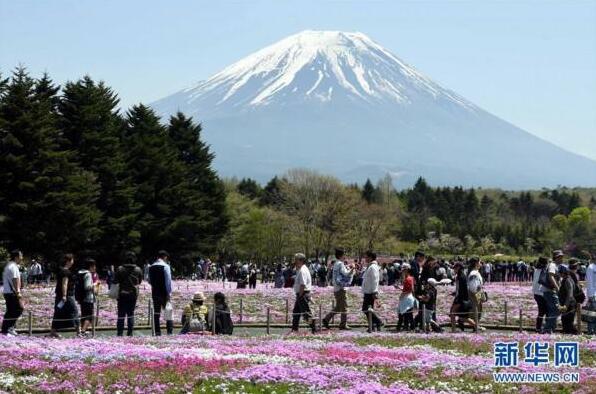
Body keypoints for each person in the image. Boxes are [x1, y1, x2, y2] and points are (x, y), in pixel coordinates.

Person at [50, 254, 80, 338]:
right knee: (74, 311)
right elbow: (64, 284)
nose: (73, 262)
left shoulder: (61, 270)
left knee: (58, 312)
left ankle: (53, 331)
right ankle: (79, 331)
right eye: (72, 260)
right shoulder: (65, 271)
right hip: (67, 295)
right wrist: (64, 295)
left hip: (60, 295)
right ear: (68, 261)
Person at [322, 248, 353, 330]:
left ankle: (326, 319)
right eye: (344, 254)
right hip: (341, 288)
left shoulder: (336, 264)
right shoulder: (340, 264)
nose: (345, 256)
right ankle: (343, 324)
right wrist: (352, 269)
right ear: (341, 255)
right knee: (344, 307)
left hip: (336, 288)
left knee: (339, 307)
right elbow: (346, 274)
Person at [115, 252, 143, 336]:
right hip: (132, 294)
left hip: (122, 293)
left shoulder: (120, 269)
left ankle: (120, 333)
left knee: (121, 314)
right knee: (131, 313)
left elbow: (115, 280)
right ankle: (130, 333)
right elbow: (140, 281)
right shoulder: (138, 269)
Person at [291, 253, 317, 333]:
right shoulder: (301, 269)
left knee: (306, 314)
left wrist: (300, 295)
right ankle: (294, 329)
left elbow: (302, 284)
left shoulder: (302, 270)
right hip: (301, 294)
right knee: (296, 312)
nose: (294, 261)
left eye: (296, 259)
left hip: (303, 294)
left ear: (301, 261)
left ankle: (314, 327)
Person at [149, 250, 173, 336]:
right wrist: (169, 293)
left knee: (156, 313)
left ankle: (157, 331)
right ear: (165, 257)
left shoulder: (151, 267)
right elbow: (168, 281)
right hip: (164, 292)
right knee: (168, 311)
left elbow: (149, 280)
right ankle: (169, 331)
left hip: (155, 292)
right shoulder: (166, 266)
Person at [2, 250, 24, 336]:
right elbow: (15, 279)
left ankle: (6, 329)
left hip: (8, 291)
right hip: (12, 292)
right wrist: (18, 292)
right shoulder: (13, 267)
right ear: (16, 257)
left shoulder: (9, 265)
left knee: (10, 311)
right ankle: (9, 328)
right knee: (19, 309)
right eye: (21, 256)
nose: (22, 258)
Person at [449, 262, 476, 331]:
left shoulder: (461, 277)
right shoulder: (460, 276)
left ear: (458, 268)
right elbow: (460, 289)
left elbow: (461, 290)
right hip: (461, 299)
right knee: (461, 317)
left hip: (460, 299)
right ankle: (476, 326)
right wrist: (455, 293)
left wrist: (457, 298)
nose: (454, 269)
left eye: (455, 268)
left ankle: (453, 330)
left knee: (452, 313)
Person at [542, 251, 563, 334]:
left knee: (553, 310)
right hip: (550, 290)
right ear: (556, 257)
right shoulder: (552, 265)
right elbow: (551, 276)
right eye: (560, 257)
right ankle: (547, 328)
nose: (561, 259)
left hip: (550, 290)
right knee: (556, 309)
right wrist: (558, 288)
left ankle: (551, 328)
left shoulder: (555, 265)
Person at [75, 258, 97, 338]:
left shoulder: (80, 273)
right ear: (90, 266)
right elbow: (87, 287)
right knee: (89, 316)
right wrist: (95, 284)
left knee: (84, 315)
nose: (95, 268)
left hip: (81, 297)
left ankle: (81, 331)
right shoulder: (88, 274)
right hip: (88, 298)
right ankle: (83, 331)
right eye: (94, 266)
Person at [361, 250, 383, 332]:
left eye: (366, 257)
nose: (365, 258)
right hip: (368, 291)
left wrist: (374, 291)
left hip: (370, 292)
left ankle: (378, 321)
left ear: (370, 257)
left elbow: (375, 280)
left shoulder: (373, 267)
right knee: (369, 309)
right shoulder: (370, 266)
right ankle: (372, 325)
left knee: (365, 309)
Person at [558, 265, 577, 334]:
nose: (559, 274)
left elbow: (570, 294)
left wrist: (565, 305)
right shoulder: (566, 279)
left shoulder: (567, 280)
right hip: (567, 304)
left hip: (569, 304)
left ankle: (571, 334)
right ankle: (568, 333)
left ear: (563, 273)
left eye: (560, 272)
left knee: (568, 322)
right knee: (565, 320)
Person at [396, 263, 416, 332]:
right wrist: (400, 289)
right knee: (408, 314)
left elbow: (409, 289)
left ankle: (404, 327)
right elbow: (410, 290)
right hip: (408, 297)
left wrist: (402, 294)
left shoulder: (408, 279)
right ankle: (408, 327)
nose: (402, 272)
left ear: (407, 270)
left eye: (404, 270)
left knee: (406, 314)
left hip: (406, 298)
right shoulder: (410, 278)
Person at [467, 258, 485, 330]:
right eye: (480, 262)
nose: (481, 264)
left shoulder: (476, 272)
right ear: (476, 263)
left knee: (478, 309)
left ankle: (476, 325)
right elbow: (473, 286)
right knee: (476, 310)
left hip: (477, 292)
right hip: (475, 292)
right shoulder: (474, 273)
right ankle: (476, 326)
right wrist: (477, 293)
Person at [532, 257, 548, 333]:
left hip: (536, 292)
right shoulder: (544, 270)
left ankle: (539, 327)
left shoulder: (536, 269)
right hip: (541, 293)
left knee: (542, 310)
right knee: (543, 311)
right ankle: (540, 327)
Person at [586, 256, 596, 335]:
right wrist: (591, 295)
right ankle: (590, 330)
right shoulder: (590, 267)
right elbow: (589, 282)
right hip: (593, 294)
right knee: (592, 313)